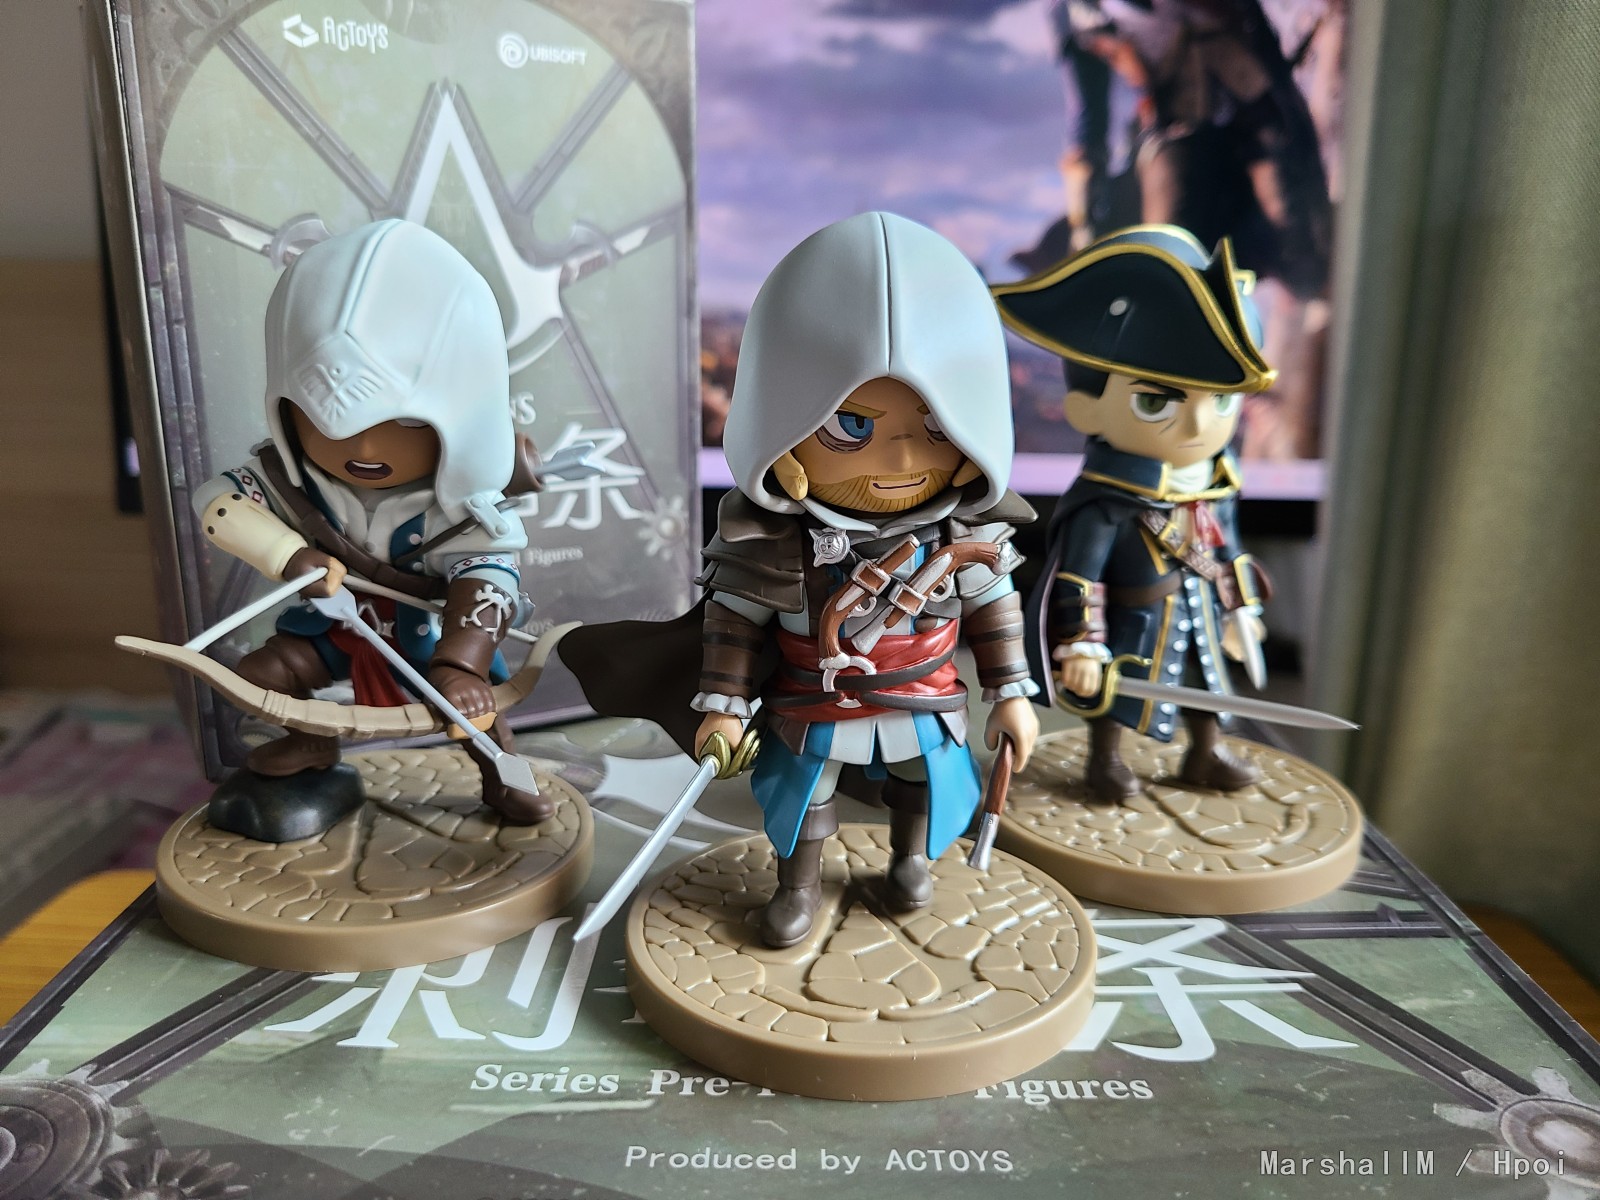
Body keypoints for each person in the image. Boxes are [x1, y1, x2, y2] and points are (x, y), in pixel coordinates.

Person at [567, 212, 1039, 947]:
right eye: (853, 427)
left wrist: (1010, 693)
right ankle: (798, 887)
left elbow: (994, 605)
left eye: (934, 426)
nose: (900, 458)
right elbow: (735, 623)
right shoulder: (772, 541)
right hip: (814, 701)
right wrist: (724, 706)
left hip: (925, 695)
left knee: (925, 782)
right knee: (802, 796)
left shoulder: (962, 535)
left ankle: (910, 861)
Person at [193, 219, 547, 837]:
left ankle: (501, 774)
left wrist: (464, 663)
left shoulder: (462, 500)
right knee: (263, 675)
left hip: (431, 639)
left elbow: (489, 576)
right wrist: (287, 555)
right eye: (327, 420)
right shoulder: (292, 481)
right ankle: (310, 742)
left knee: (473, 716)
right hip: (337, 630)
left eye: (403, 423)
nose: (363, 448)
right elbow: (218, 503)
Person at [993, 224, 1276, 801]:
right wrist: (1080, 641)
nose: (1198, 424)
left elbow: (1228, 547)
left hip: (1198, 606)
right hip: (1136, 617)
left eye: (1221, 400)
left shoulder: (1216, 485)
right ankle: (1106, 760)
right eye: (1155, 401)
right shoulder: (1105, 499)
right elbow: (1078, 574)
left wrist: (1240, 608)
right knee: (1118, 692)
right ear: (1085, 409)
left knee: (1207, 684)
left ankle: (1204, 751)